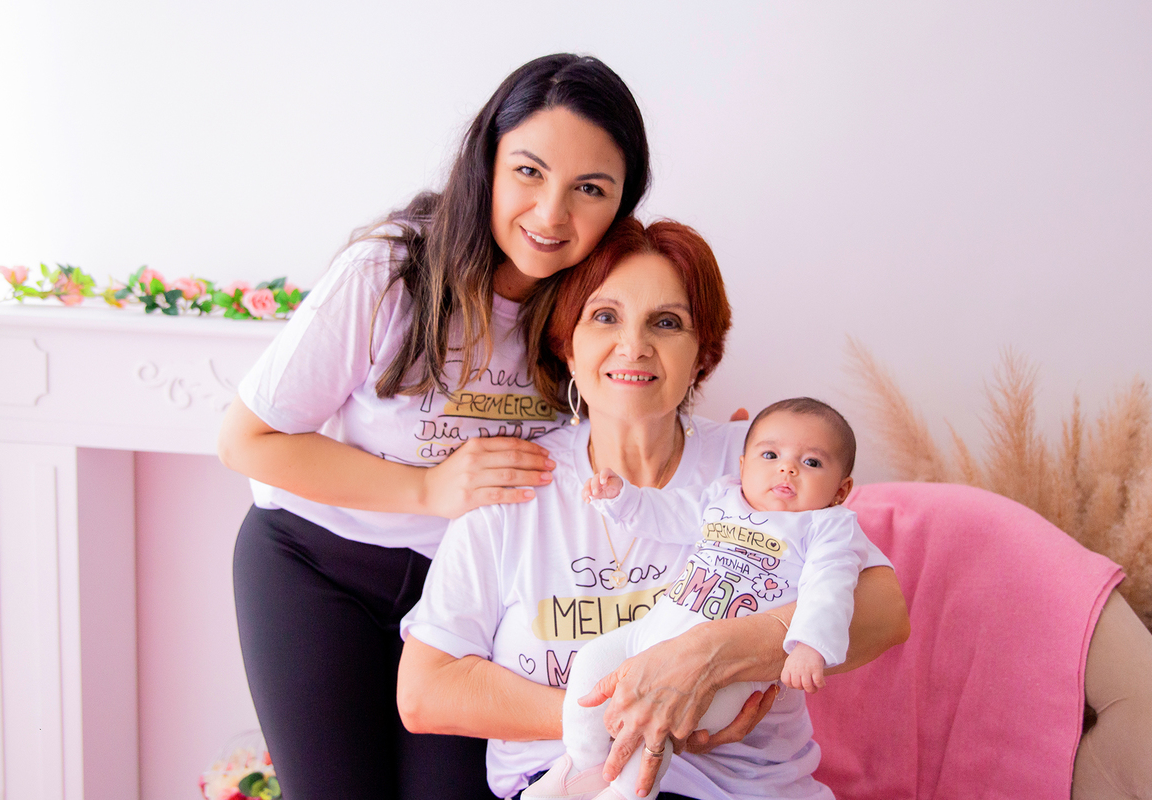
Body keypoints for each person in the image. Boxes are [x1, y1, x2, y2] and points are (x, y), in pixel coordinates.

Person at [217, 53, 652, 800]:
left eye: (589, 189)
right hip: (318, 567)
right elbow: (245, 441)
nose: (551, 214)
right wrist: (429, 490)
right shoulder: (390, 273)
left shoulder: (601, 306)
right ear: (485, 160)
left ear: (621, 203)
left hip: (470, 605)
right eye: (529, 171)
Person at [398, 218, 909, 800]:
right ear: (567, 344)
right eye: (604, 316)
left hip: (746, 785)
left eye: (666, 323)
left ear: (703, 355)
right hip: (571, 779)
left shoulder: (759, 465)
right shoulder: (513, 482)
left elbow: (885, 613)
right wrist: (631, 716)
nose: (633, 345)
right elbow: (425, 692)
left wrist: (711, 661)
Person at [531, 397, 869, 800]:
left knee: (661, 719)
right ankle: (584, 764)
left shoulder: (826, 527)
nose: (787, 468)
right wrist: (623, 498)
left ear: (841, 490)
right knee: (589, 664)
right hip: (650, 636)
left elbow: (831, 588)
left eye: (811, 463)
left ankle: (626, 793)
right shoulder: (722, 499)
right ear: (743, 467)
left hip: (727, 676)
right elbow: (667, 513)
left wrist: (810, 645)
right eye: (770, 454)